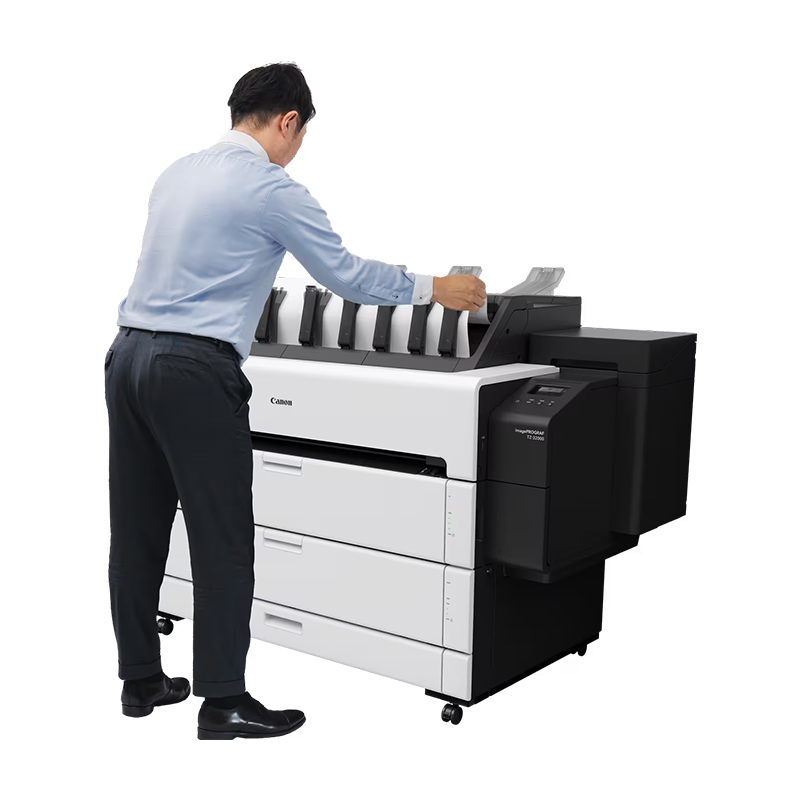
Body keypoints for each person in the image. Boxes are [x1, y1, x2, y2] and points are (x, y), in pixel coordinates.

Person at [105, 61, 486, 741]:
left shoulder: (176, 173)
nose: (298, 147)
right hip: (194, 371)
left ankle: (140, 681)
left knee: (137, 531)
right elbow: (347, 276)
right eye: (302, 133)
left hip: (127, 357)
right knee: (223, 541)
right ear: (288, 122)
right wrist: (439, 289)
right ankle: (223, 702)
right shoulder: (271, 189)